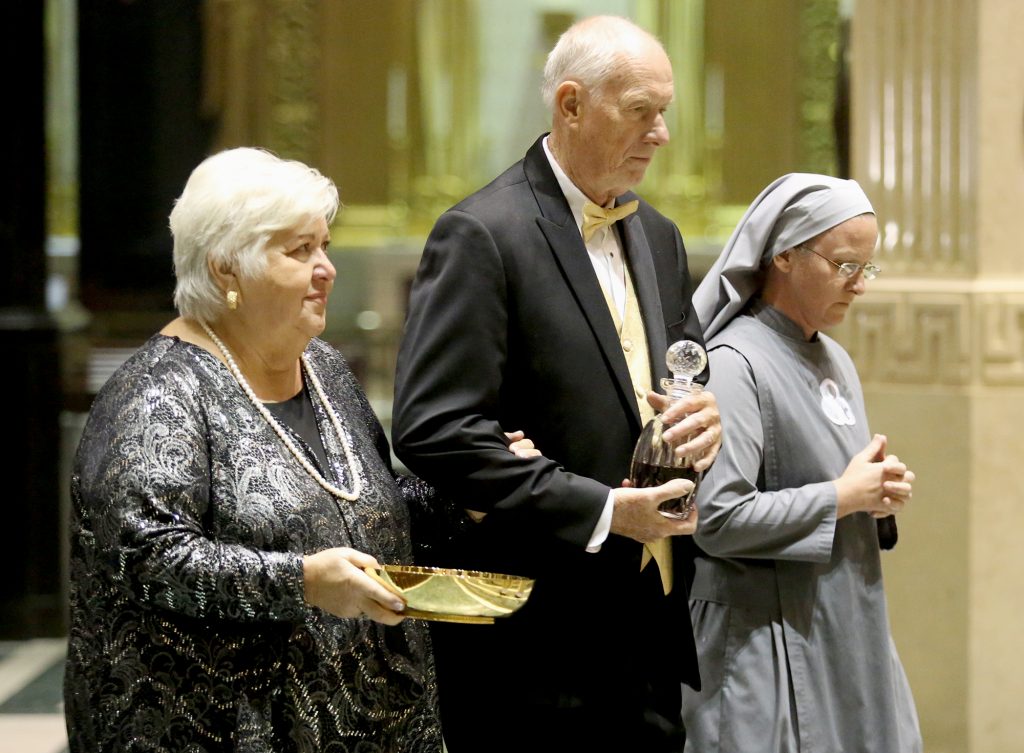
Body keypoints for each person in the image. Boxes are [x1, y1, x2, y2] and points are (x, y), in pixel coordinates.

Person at [63, 147, 539, 753]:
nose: (326, 269)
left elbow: (369, 517)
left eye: (325, 246)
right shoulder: (158, 393)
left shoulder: (324, 370)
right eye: (299, 250)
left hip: (375, 720)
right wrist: (302, 583)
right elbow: (146, 559)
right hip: (222, 729)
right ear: (225, 269)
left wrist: (468, 497)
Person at [391, 15, 721, 753]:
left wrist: (705, 421)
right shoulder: (482, 233)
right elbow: (432, 428)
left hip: (651, 615)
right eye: (641, 110)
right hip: (537, 635)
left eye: (664, 111)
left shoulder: (658, 235)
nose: (661, 133)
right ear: (570, 104)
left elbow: (684, 377)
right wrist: (603, 508)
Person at [682, 173, 922, 752]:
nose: (859, 285)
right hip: (765, 642)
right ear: (785, 254)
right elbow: (717, 520)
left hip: (846, 627)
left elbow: (838, 487)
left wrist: (875, 494)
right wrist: (845, 496)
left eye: (868, 267)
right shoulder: (734, 362)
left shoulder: (834, 357)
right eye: (845, 266)